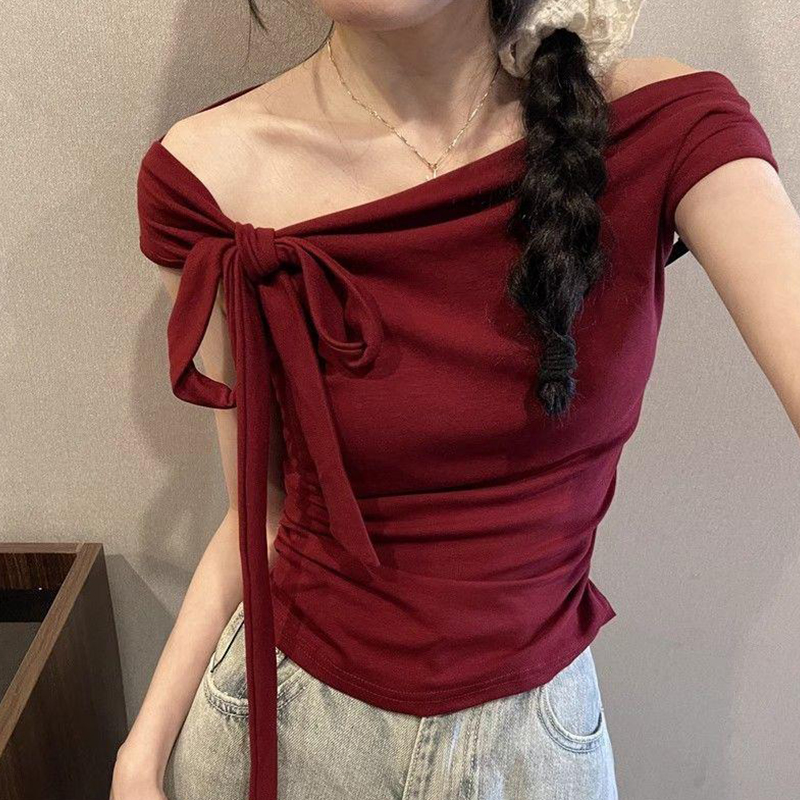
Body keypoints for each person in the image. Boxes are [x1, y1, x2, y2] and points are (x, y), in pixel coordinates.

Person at [114, 1, 798, 799]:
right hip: (284, 728)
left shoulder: (664, 129)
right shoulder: (206, 182)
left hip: (535, 754)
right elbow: (258, 515)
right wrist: (140, 757)